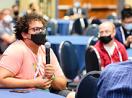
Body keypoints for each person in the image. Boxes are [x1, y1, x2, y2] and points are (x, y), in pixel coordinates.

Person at [0, 13, 73, 97]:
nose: (40, 32)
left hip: (46, 92)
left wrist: (52, 77)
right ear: (24, 34)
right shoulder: (16, 50)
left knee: (75, 95)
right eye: (35, 29)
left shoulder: (46, 50)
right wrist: (34, 83)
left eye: (42, 29)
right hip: (23, 93)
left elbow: (63, 85)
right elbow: (1, 80)